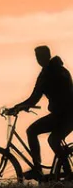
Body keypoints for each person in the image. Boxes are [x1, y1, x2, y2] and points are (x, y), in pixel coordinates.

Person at [7, 45, 73, 180]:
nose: (38, 60)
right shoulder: (58, 70)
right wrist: (21, 106)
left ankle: (39, 169)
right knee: (54, 140)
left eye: (39, 57)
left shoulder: (49, 73)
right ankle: (66, 172)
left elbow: (34, 98)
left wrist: (17, 107)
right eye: (37, 57)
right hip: (65, 114)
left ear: (46, 56)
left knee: (33, 131)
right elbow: (35, 97)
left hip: (65, 115)